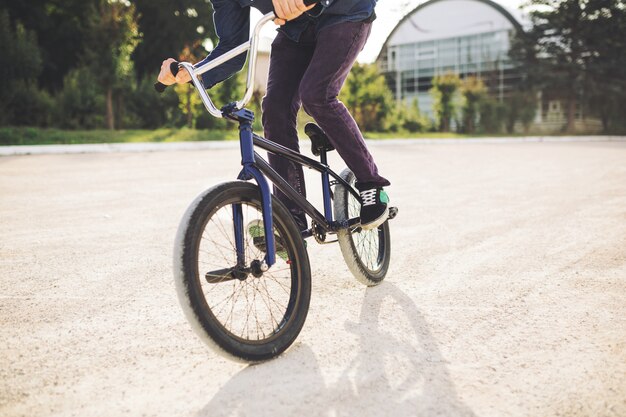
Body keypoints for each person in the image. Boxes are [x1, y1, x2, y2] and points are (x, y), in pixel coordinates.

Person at [158, 0, 390, 230]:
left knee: (316, 95)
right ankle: (291, 219)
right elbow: (231, 48)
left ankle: (371, 183)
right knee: (274, 108)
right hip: (296, 32)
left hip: (345, 13)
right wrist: (192, 74)